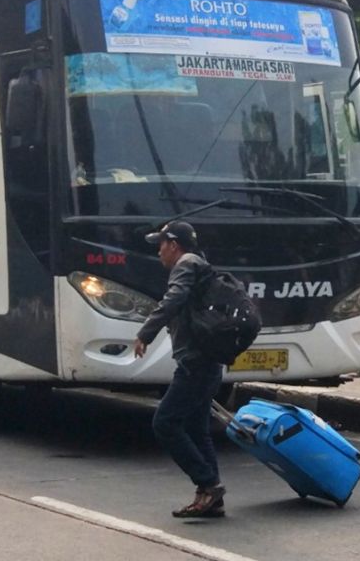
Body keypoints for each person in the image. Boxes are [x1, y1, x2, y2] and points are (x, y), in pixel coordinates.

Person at [133, 221, 226, 518]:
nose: (159, 252)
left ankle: (208, 484)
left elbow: (173, 299)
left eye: (161, 245)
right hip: (206, 360)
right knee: (198, 430)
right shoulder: (201, 264)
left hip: (197, 363)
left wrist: (145, 333)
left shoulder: (186, 263)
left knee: (165, 422)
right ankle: (211, 500)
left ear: (174, 244)